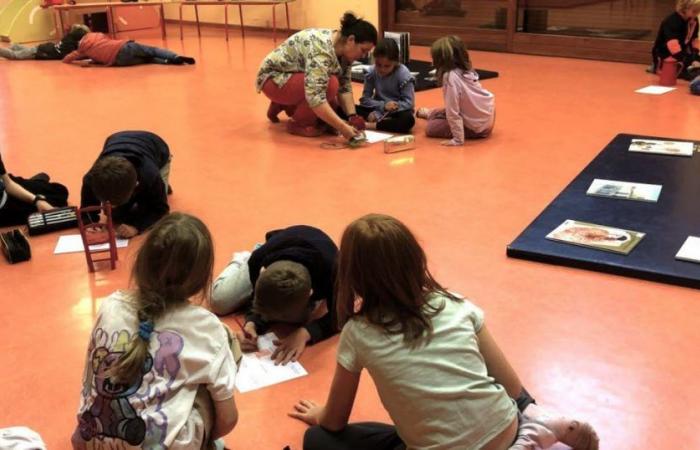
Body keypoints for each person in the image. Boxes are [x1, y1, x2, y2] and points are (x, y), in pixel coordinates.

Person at [290, 214, 599, 450]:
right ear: (416, 260)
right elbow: (512, 387)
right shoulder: (455, 304)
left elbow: (334, 420)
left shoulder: (358, 332)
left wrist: (320, 413)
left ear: (352, 275)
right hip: (508, 432)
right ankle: (540, 422)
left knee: (318, 439)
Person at [71, 213, 239, 450]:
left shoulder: (111, 304)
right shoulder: (208, 328)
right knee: (228, 348)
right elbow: (228, 420)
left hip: (88, 442)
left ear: (141, 262)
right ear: (201, 280)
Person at [212, 225, 338, 365]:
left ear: (309, 294)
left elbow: (343, 315)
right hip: (270, 252)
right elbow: (260, 299)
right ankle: (242, 259)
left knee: (300, 320)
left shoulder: (335, 273)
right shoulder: (257, 261)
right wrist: (252, 322)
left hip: (321, 266)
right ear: (261, 275)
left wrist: (305, 333)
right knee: (219, 301)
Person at [255, 12, 377, 138]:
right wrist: (342, 126)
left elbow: (344, 86)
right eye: (363, 51)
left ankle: (283, 103)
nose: (363, 56)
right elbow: (315, 98)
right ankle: (298, 124)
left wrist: (352, 116)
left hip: (290, 76)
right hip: (272, 79)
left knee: (332, 103)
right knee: (330, 85)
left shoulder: (342, 49)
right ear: (351, 40)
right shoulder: (321, 50)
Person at [80, 131, 171, 238]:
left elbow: (161, 209)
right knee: (117, 215)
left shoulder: (150, 175)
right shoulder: (91, 178)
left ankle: (161, 187)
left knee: (147, 203)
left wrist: (136, 226)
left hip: (158, 148)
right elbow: (87, 207)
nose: (111, 206)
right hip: (116, 140)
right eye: (107, 202)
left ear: (136, 185)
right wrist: (89, 221)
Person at [416, 35, 495, 146]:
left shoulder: (450, 78)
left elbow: (453, 112)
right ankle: (431, 113)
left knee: (431, 128)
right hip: (487, 118)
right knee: (447, 110)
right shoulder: (466, 70)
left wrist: (457, 139)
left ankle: (432, 115)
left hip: (477, 128)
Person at [357, 38, 416, 133]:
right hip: (377, 107)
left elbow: (409, 103)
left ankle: (372, 125)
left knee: (408, 120)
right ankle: (383, 122)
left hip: (397, 111)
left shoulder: (404, 74)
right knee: (345, 108)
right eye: (378, 64)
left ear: (396, 62)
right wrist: (383, 106)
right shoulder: (371, 72)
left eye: (387, 66)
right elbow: (365, 100)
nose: (382, 69)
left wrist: (384, 111)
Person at [0, 151, 69, 227]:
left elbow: (8, 183)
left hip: (5, 186)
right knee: (58, 201)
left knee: (60, 190)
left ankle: (35, 182)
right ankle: (36, 181)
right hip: (4, 209)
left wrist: (36, 200)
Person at [63, 32, 195, 67]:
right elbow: (107, 40)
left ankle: (166, 62)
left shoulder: (82, 50)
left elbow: (67, 59)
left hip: (119, 62)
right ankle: (175, 57)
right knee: (152, 50)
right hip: (123, 46)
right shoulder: (95, 35)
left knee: (148, 59)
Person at [651, 0, 700, 80]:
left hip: (682, 52)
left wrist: (695, 57)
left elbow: (694, 40)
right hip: (666, 53)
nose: (696, 14)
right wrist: (688, 61)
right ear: (684, 8)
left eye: (698, 11)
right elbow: (672, 45)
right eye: (694, 11)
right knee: (688, 73)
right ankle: (657, 66)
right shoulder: (671, 21)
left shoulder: (693, 20)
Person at [0, 24, 89, 61]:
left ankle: (15, 46)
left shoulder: (68, 38)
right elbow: (70, 56)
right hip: (39, 52)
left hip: (43, 47)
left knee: (24, 49)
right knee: (14, 56)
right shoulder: (69, 46)